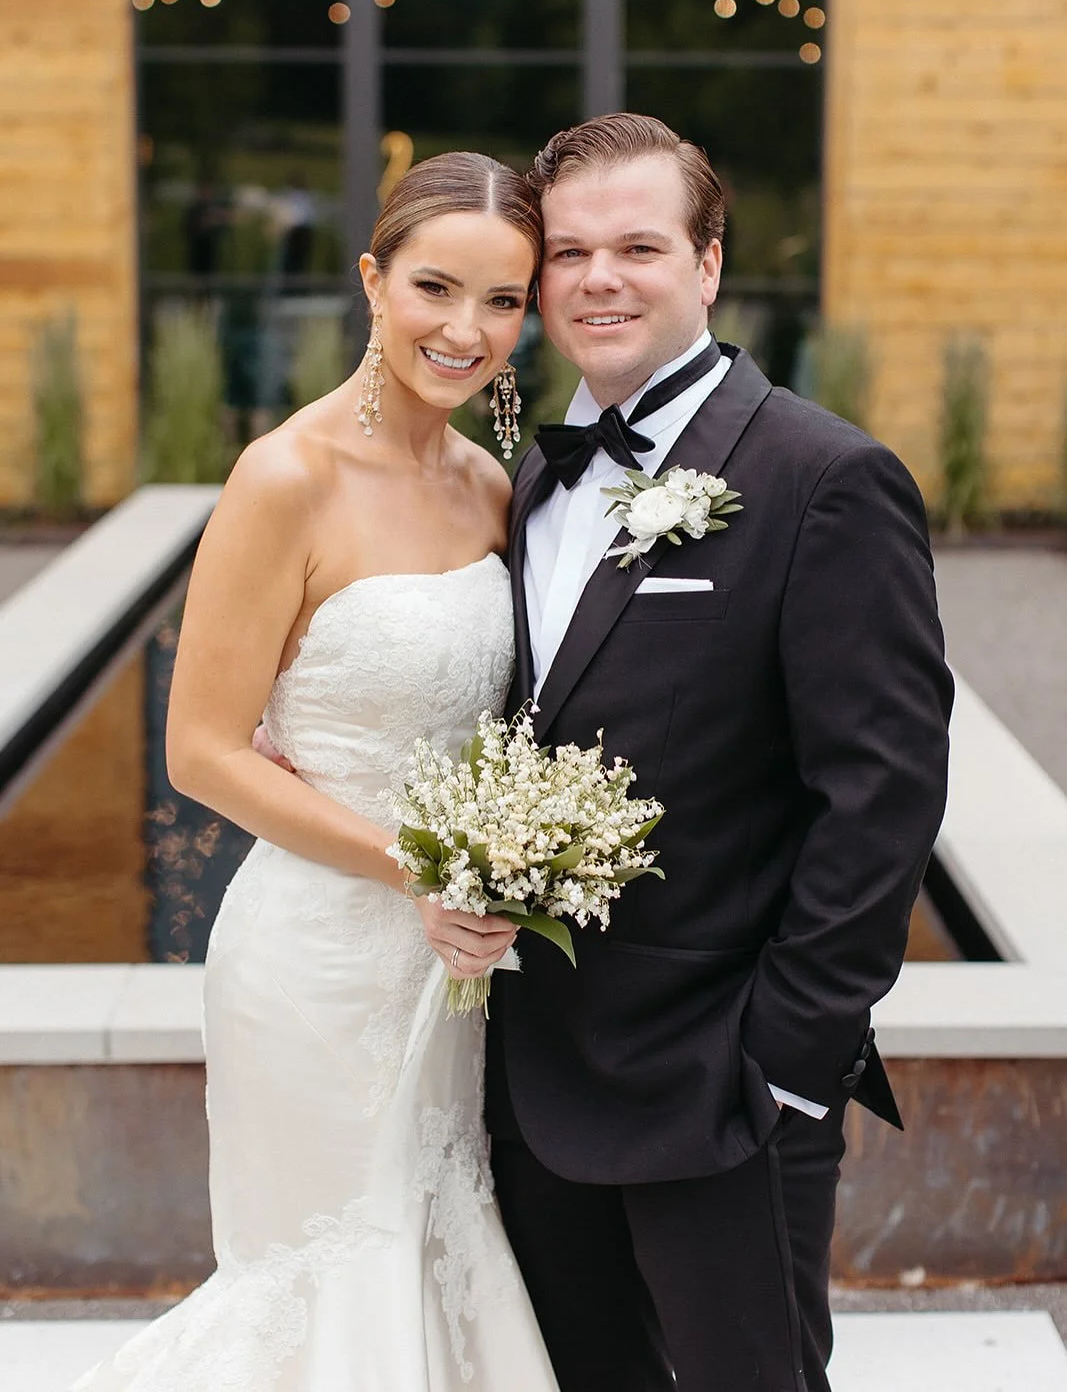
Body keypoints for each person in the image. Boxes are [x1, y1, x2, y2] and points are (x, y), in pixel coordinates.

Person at [478, 114, 955, 1392]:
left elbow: (881, 794)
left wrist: (789, 1062)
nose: (597, 279)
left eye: (637, 245)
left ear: (706, 262)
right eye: (568, 251)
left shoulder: (823, 478)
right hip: (535, 1072)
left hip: (720, 1083)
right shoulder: (531, 476)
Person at [68, 153, 559, 1392]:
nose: (465, 330)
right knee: (324, 1276)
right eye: (434, 287)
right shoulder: (284, 478)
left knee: (433, 1246)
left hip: (451, 971)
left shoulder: (492, 488)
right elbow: (199, 752)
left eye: (501, 301)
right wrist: (422, 869)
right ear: (370, 279)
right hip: (320, 958)